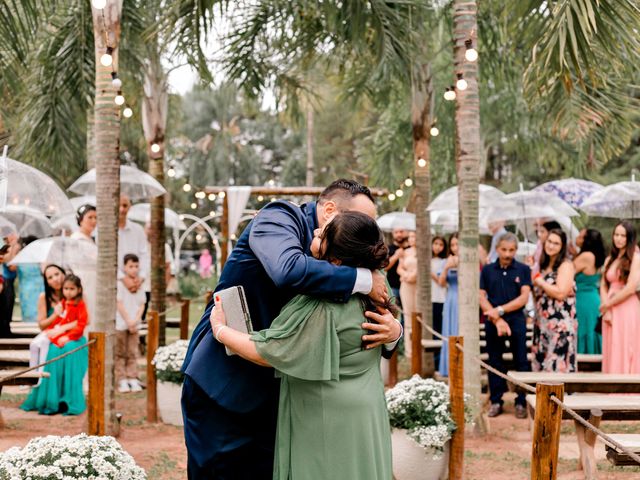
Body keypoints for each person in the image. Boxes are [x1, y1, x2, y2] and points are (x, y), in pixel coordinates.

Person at [181, 179, 401, 479]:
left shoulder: (347, 255)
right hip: (227, 385)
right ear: (330, 210)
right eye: (359, 219)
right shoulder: (278, 219)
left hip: (284, 394)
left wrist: (394, 330)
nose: (363, 230)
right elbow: (288, 270)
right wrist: (362, 280)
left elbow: (382, 305)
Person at [479, 232, 532, 419]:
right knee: (494, 361)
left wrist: (500, 311)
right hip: (493, 322)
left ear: (516, 250)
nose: (508, 254)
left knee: (521, 361)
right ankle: (496, 401)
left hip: (516, 319)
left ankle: (521, 401)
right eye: (504, 249)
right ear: (497, 249)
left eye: (511, 250)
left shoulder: (524, 269)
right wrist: (497, 319)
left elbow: (524, 297)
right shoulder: (487, 270)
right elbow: (480, 296)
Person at [21, 273, 89, 415]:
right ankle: (52, 399)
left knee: (68, 350)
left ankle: (68, 399)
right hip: (58, 336)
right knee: (52, 351)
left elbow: (82, 323)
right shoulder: (57, 302)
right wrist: (56, 326)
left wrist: (67, 335)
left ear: (78, 289)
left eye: (72, 289)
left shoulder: (80, 303)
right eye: (66, 289)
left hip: (73, 337)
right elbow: (53, 323)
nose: (68, 292)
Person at [532, 228, 577, 373]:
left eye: (556, 243)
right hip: (543, 323)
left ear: (562, 246)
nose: (551, 246)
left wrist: (541, 283)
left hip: (559, 325)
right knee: (543, 365)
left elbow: (561, 293)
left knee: (557, 366)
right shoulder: (544, 265)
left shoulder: (566, 265)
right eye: (549, 241)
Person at [600, 221, 640, 374]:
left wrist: (608, 304)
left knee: (626, 345)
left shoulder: (636, 258)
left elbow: (630, 288)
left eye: (623, 235)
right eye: (616, 234)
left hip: (627, 307)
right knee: (612, 345)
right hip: (610, 307)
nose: (618, 238)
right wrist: (606, 308)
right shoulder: (610, 259)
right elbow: (603, 284)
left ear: (629, 238)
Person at [116, 254, 146, 393]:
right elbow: (119, 303)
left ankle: (132, 377)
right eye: (130, 266)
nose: (134, 269)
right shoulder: (120, 283)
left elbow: (142, 304)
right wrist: (128, 320)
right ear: (124, 267)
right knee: (120, 352)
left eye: (136, 266)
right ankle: (122, 379)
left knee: (132, 352)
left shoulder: (139, 284)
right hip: (122, 323)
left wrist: (135, 320)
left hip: (135, 323)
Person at [28, 264, 66, 373]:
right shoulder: (44, 297)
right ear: (47, 282)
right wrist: (55, 315)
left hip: (65, 331)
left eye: (57, 274)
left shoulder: (71, 294)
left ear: (63, 274)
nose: (55, 279)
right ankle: (33, 376)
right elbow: (41, 326)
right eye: (50, 277)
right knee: (35, 344)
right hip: (49, 331)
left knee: (46, 345)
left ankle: (42, 374)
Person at [573, 228, 605, 354]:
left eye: (580, 237)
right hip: (592, 299)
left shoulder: (586, 256)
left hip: (583, 300)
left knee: (584, 328)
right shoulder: (595, 255)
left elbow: (568, 271)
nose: (577, 238)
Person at [70, 204, 97, 324]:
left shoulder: (92, 240)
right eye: (90, 217)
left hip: (94, 282)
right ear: (81, 219)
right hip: (83, 280)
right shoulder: (76, 239)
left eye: (96, 218)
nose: (93, 221)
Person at [118, 195, 149, 296]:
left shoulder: (138, 230)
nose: (122, 209)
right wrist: (123, 278)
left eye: (125, 205)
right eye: (119, 205)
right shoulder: (106, 231)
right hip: (115, 284)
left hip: (136, 283)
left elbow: (144, 255)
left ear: (130, 207)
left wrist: (141, 277)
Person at [438, 232, 459, 377]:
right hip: (451, 298)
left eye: (458, 244)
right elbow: (441, 283)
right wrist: (447, 267)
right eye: (452, 245)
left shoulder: (470, 261)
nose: (455, 247)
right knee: (449, 331)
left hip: (464, 299)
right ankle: (448, 367)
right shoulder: (445, 261)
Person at [397, 230, 417, 358]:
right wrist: (406, 275)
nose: (411, 239)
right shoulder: (405, 252)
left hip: (418, 285)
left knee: (418, 315)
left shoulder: (424, 252)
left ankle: (418, 346)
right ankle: (409, 351)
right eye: (410, 237)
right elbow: (399, 268)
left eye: (414, 236)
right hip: (406, 285)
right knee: (408, 316)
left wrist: (413, 276)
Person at [16, 236, 45, 323]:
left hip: (26, 287)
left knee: (29, 305)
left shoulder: (21, 257)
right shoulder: (39, 257)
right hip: (38, 286)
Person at [431, 236, 448, 370]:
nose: (437, 247)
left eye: (440, 244)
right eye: (435, 243)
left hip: (441, 299)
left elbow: (441, 282)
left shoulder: (445, 261)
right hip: (429, 299)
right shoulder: (428, 259)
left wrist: (430, 273)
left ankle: (438, 362)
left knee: (438, 330)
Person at [0, 233, 21, 337]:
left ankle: (5, 328)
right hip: (5, 280)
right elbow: (10, 264)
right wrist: (13, 248)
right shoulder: (6, 247)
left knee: (8, 307)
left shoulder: (10, 247)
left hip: (9, 281)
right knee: (5, 306)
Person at [385, 228, 408, 310]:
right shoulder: (388, 249)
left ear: (406, 232)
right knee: (395, 312)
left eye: (401, 231)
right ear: (392, 234)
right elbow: (384, 268)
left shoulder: (411, 248)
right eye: (396, 232)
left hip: (408, 285)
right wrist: (396, 256)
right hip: (393, 286)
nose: (399, 234)